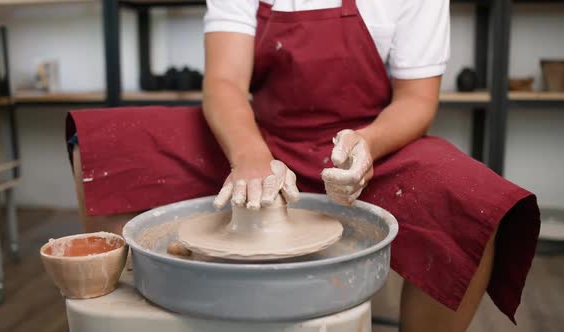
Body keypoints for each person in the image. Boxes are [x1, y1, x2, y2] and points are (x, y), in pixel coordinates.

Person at [66, 1, 540, 331]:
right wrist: (250, 156)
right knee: (107, 144)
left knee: (473, 198)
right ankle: (128, 316)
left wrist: (368, 144)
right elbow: (225, 83)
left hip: (361, 145)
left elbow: (417, 101)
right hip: (259, 136)